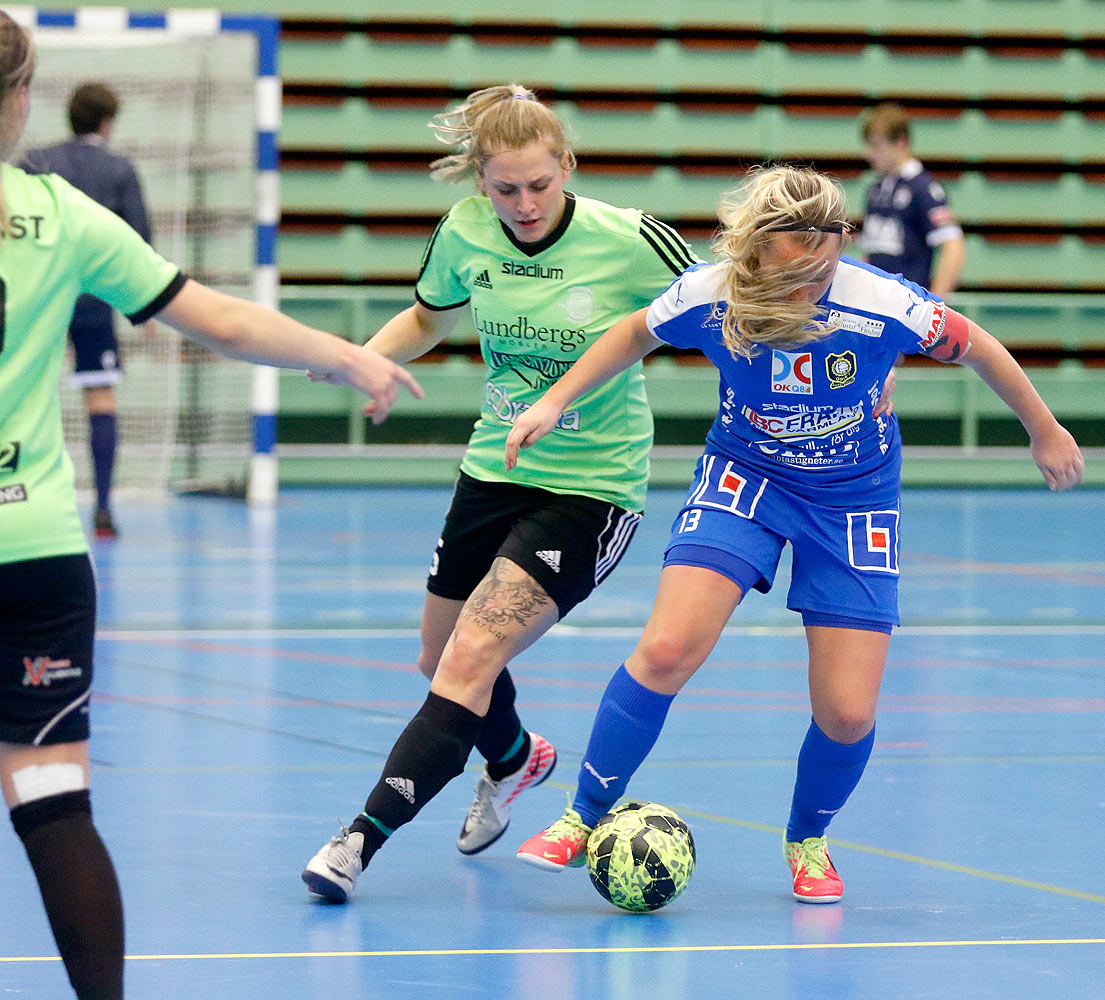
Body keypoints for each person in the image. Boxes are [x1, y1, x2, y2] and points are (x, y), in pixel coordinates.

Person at [507, 165, 1083, 903]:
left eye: (829, 250)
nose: (816, 271)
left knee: (847, 711)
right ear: (756, 246)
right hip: (745, 479)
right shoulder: (712, 293)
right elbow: (630, 333)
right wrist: (554, 401)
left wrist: (1044, 428)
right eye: (795, 253)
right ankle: (581, 816)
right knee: (667, 648)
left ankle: (808, 837)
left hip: (852, 499)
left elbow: (979, 348)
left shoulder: (881, 301)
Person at [0, 15, 421, 1000]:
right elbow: (220, 317)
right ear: (19, 99)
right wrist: (346, 351)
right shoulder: (55, 214)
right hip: (37, 552)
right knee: (55, 803)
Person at [300, 84, 699, 904]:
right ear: (479, 181)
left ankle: (355, 841)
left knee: (473, 655)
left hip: (590, 486)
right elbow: (427, 316)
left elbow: (728, 312)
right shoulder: (464, 232)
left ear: (567, 168)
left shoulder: (631, 242)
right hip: (493, 466)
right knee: (436, 656)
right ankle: (516, 758)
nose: (522, 203)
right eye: (504, 187)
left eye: (538, 185)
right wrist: (364, 359)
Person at [21, 82, 154, 539]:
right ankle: (101, 509)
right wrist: (147, 309)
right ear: (107, 123)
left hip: (38, 296)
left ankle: (17, 497)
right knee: (100, 399)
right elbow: (139, 243)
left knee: (20, 392)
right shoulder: (119, 170)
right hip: (95, 301)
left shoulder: (36, 162)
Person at [858, 102, 966, 297]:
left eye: (877, 146)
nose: (869, 154)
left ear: (901, 142)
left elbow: (954, 247)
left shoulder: (924, 189)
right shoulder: (875, 191)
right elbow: (870, 252)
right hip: (875, 306)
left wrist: (934, 305)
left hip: (908, 307)